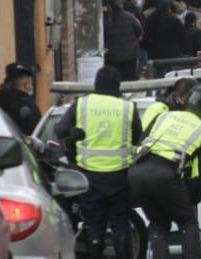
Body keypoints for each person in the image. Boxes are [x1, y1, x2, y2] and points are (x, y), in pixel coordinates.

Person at [55, 66, 142, 259]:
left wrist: (72, 152)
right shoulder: (128, 107)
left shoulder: (81, 105)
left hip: (89, 176)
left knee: (93, 227)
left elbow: (60, 131)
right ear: (117, 86)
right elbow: (138, 138)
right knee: (121, 225)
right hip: (120, 177)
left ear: (96, 84)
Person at [129, 84, 201, 259]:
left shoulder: (163, 116)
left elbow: (140, 143)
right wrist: (191, 198)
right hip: (165, 175)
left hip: (137, 173)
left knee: (158, 224)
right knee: (187, 222)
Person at [0, 63, 40, 135]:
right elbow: (36, 132)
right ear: (26, 85)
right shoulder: (28, 105)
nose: (31, 87)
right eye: (31, 83)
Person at [103, 0, 143, 81]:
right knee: (129, 80)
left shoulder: (103, 19)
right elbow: (139, 31)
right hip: (130, 55)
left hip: (111, 57)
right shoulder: (129, 16)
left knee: (114, 80)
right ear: (120, 4)